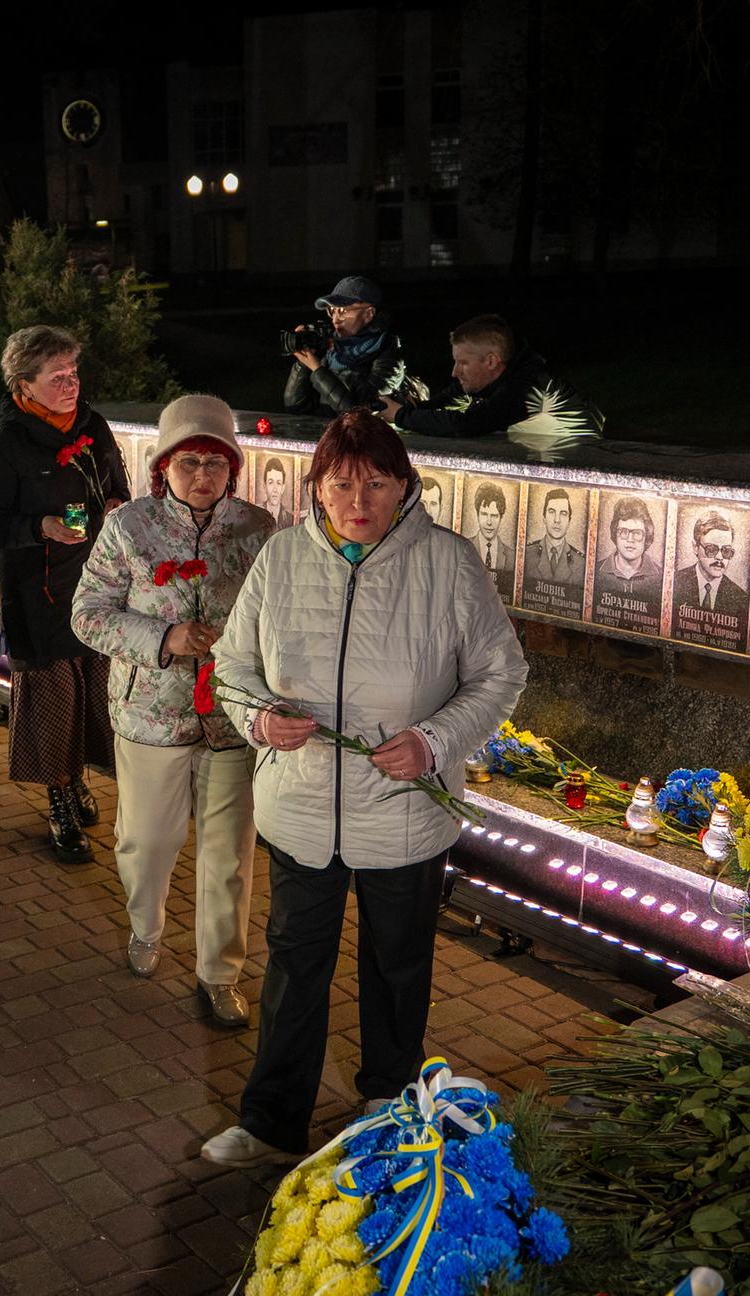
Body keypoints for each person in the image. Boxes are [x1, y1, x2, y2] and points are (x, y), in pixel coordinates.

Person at [198, 410, 527, 1168]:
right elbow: (233, 664)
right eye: (341, 483)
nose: (359, 501)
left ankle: (389, 1107)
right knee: (293, 966)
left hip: (405, 816)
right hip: (303, 809)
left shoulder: (447, 563)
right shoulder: (282, 559)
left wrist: (434, 740)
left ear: (406, 486)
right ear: (315, 487)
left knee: (398, 966)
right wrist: (259, 719)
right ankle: (272, 1121)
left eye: (377, 483)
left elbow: (500, 672)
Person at [72, 394, 274, 1025]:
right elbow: (87, 615)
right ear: (164, 467)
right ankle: (146, 925)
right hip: (150, 715)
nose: (203, 476)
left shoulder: (259, 529)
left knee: (229, 857)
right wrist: (163, 639)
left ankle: (219, 974)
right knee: (146, 840)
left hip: (231, 721)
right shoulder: (129, 528)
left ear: (233, 469)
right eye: (189, 463)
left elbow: (278, 619)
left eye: (217, 463)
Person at [0, 325, 130, 864]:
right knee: (54, 696)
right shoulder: (7, 443)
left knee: (92, 689)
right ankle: (59, 797)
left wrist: (114, 507)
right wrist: (39, 525)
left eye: (73, 373)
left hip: (96, 584)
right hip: (37, 591)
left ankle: (79, 778)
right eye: (56, 377)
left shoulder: (93, 424)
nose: (70, 384)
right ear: (24, 385)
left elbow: (118, 486)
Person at [378, 314, 602, 440]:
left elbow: (466, 425)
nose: (454, 372)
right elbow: (437, 407)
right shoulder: (484, 380)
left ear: (491, 361)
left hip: (585, 466)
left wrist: (401, 415)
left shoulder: (529, 387)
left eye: (463, 363)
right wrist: (409, 407)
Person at [283, 275, 407, 417]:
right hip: (328, 437)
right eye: (332, 311)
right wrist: (304, 363)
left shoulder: (388, 356)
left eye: (342, 311)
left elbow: (360, 413)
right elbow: (295, 407)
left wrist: (318, 370)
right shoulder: (331, 349)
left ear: (369, 314)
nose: (335, 320)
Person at [672, 513, 749, 616]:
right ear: (695, 547)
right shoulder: (672, 583)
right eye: (711, 549)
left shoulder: (741, 599)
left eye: (726, 551)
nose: (720, 557)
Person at [596, 497, 663, 597]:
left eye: (637, 533)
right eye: (623, 531)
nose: (630, 539)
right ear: (615, 533)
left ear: (647, 536)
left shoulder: (660, 577)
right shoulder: (596, 571)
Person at [522, 488, 585, 586]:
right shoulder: (526, 554)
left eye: (563, 514)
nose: (557, 520)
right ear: (544, 518)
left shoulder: (580, 563)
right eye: (551, 512)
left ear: (569, 521)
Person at [466, 481, 513, 599]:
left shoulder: (511, 556)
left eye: (494, 516)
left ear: (501, 517)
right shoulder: (463, 548)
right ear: (477, 515)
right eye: (484, 514)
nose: (489, 522)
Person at [260, 456, 294, 531]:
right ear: (265, 486)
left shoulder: (291, 519)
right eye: (271, 482)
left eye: (278, 483)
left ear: (283, 488)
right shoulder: (255, 514)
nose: (275, 489)